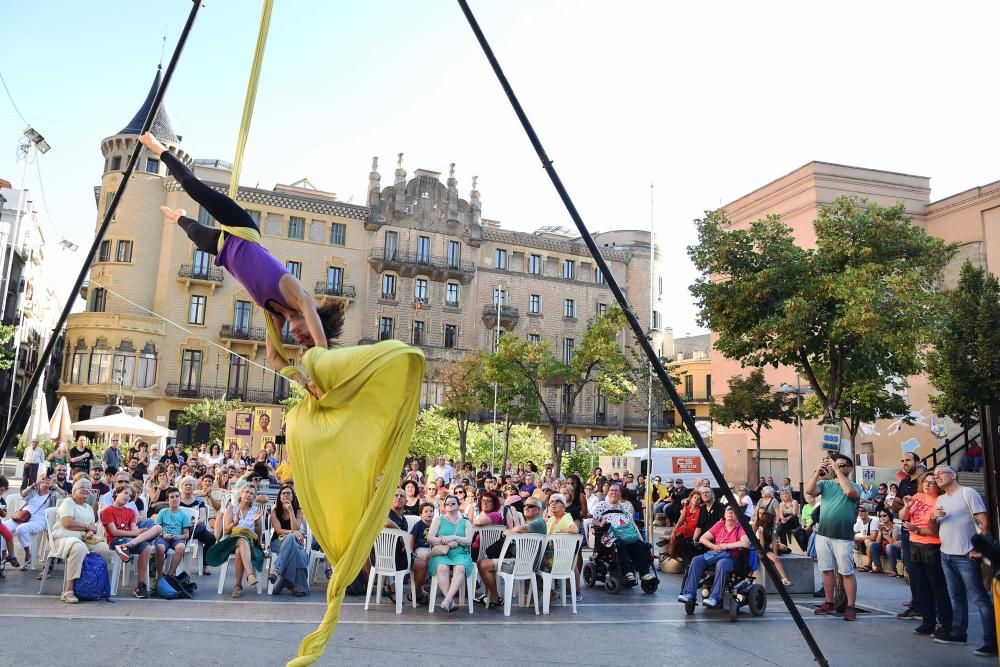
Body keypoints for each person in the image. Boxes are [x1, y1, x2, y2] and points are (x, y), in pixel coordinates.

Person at [139, 132, 343, 395]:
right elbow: (309, 309)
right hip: (243, 229)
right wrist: (321, 353)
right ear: (315, 323)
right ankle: (159, 149)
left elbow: (273, 357)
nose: (299, 337)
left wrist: (302, 381)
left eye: (301, 341)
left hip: (226, 250)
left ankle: (179, 218)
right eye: (307, 335)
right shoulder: (294, 291)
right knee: (194, 188)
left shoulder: (274, 316)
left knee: (195, 235)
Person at [927, 465, 996, 656]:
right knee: (956, 597)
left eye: (941, 472)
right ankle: (958, 633)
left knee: (980, 598)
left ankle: (991, 642)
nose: (937, 476)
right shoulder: (940, 499)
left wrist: (979, 549)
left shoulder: (968, 493)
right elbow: (933, 529)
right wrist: (933, 517)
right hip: (946, 554)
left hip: (965, 555)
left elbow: (984, 522)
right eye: (935, 475)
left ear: (953, 475)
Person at [806, 454, 862, 621]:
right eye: (836, 465)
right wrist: (817, 472)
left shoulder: (855, 486)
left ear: (849, 468)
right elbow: (809, 491)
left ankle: (851, 606)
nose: (838, 467)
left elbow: (849, 492)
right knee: (826, 570)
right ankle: (829, 601)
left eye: (842, 465)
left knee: (846, 572)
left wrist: (837, 470)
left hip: (843, 536)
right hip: (823, 534)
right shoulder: (825, 484)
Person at [897, 473, 953, 639]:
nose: (928, 485)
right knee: (921, 585)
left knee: (937, 587)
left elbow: (935, 530)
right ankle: (928, 622)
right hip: (914, 544)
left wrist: (916, 529)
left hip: (932, 545)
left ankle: (945, 624)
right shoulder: (917, 496)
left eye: (932, 482)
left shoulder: (941, 500)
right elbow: (902, 517)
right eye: (926, 482)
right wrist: (907, 506)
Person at [50, 478, 115, 603]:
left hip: (83, 540)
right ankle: (68, 590)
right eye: (82, 487)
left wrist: (90, 532)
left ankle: (94, 586)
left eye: (89, 488)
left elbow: (92, 527)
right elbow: (67, 523)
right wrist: (87, 527)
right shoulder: (68, 502)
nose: (86, 489)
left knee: (104, 548)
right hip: (63, 539)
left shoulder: (89, 508)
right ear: (74, 490)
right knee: (78, 547)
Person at [476, 497, 548, 608]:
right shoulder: (531, 523)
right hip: (520, 562)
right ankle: (490, 596)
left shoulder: (539, 522)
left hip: (521, 565)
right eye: (525, 506)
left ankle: (495, 599)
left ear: (538, 510)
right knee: (483, 561)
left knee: (483, 564)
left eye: (530, 506)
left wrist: (508, 531)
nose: (526, 507)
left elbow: (519, 529)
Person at [678, 506, 751, 607]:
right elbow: (703, 538)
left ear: (738, 514)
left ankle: (714, 597)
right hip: (715, 554)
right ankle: (689, 593)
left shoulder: (740, 527)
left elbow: (745, 543)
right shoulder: (720, 524)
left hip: (731, 558)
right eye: (728, 510)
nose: (730, 512)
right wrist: (714, 546)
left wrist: (727, 546)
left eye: (733, 510)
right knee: (696, 560)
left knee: (722, 564)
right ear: (724, 514)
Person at [102, 484, 163, 598]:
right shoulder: (107, 511)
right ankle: (126, 546)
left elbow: (134, 529)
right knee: (143, 538)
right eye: (125, 493)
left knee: (154, 534)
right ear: (116, 493)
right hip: (116, 541)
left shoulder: (130, 511)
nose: (127, 497)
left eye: (130, 496)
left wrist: (139, 531)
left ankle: (140, 585)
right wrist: (138, 533)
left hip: (129, 541)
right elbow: (114, 532)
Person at [206, 485, 264, 598]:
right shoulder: (232, 508)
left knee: (240, 548)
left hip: (249, 543)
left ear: (254, 497)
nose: (248, 495)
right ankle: (250, 574)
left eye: (251, 493)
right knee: (240, 540)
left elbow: (258, 534)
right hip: (230, 542)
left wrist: (256, 523)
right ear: (241, 494)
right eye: (246, 492)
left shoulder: (255, 511)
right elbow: (226, 531)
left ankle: (237, 585)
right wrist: (235, 522)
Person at [592, 484, 655, 584]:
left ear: (620, 493)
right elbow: (594, 520)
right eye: (611, 490)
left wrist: (640, 537)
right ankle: (628, 572)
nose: (613, 492)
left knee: (641, 545)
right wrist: (600, 523)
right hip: (610, 535)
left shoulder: (625, 507)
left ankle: (644, 574)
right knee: (619, 543)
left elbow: (632, 523)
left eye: (616, 490)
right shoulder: (602, 505)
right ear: (608, 492)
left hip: (626, 534)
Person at [426, 494, 473, 612]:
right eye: (447, 503)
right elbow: (430, 539)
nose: (450, 505)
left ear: (458, 506)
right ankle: (449, 601)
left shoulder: (465, 522)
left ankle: (447, 600)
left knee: (460, 568)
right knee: (442, 567)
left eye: (453, 503)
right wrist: (445, 541)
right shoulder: (438, 519)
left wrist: (454, 538)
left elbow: (468, 541)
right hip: (442, 552)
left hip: (460, 552)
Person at [2, 474, 55, 569]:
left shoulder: (53, 494)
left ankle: (28, 552)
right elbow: (22, 494)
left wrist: (55, 486)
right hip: (23, 516)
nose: (46, 481)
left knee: (21, 529)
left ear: (53, 482)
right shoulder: (33, 491)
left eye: (49, 480)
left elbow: (65, 496)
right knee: (3, 528)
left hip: (39, 520)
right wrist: (34, 485)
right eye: (44, 479)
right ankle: (3, 558)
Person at [895, 451, 923, 620]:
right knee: (911, 569)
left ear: (918, 462)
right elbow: (897, 507)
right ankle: (917, 605)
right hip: (906, 531)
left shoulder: (924, 481)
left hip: (923, 532)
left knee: (924, 571)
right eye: (902, 460)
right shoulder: (904, 481)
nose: (904, 463)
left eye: (908, 460)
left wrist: (905, 505)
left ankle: (926, 606)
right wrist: (901, 505)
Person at [268, 484, 308, 596]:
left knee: (296, 550)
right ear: (279, 497)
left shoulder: (298, 511)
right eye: (283, 493)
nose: (286, 495)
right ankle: (296, 586)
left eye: (288, 493)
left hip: (294, 543)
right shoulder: (275, 511)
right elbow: (279, 530)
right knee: (294, 543)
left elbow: (296, 528)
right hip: (277, 543)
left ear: (293, 496)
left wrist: (291, 511)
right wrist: (292, 533)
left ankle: (278, 572)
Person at [152, 487, 191, 585]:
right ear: (167, 500)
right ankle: (159, 575)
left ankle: (170, 574)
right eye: (172, 497)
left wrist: (179, 537)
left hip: (177, 538)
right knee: (160, 547)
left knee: (181, 547)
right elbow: (156, 528)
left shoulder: (184, 515)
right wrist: (163, 534)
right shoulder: (163, 512)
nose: (175, 499)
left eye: (177, 496)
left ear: (180, 498)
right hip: (163, 537)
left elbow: (187, 534)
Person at [753, 505, 792, 587]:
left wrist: (775, 553)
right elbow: (762, 542)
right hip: (762, 547)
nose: (775, 521)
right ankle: (748, 579)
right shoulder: (760, 528)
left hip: (769, 546)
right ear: (769, 520)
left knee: (776, 557)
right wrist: (762, 554)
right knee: (772, 559)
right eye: (774, 520)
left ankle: (784, 579)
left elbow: (774, 541)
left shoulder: (772, 528)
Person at [178, 476, 217, 555]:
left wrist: (195, 522)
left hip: (195, 528)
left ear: (194, 487)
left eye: (190, 485)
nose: (188, 486)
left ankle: (204, 562)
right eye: (186, 485)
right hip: (180, 529)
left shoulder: (199, 501)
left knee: (211, 539)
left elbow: (202, 518)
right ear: (181, 487)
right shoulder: (177, 501)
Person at [408, 502, 435, 605]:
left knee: (434, 556)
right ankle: (427, 580)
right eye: (426, 511)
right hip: (420, 548)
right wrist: (410, 551)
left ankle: (428, 578)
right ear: (421, 514)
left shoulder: (435, 524)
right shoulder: (419, 525)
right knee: (426, 556)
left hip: (432, 548)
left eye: (431, 511)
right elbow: (412, 537)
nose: (429, 513)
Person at [666, 490, 703, 561]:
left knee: (684, 528)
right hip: (685, 531)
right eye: (694, 498)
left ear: (700, 501)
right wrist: (673, 532)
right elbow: (680, 521)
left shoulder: (701, 510)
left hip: (695, 531)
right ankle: (671, 558)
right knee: (673, 539)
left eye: (698, 499)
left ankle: (668, 539)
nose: (696, 500)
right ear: (691, 498)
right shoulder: (686, 509)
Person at [869, 508, 902, 576]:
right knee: (872, 544)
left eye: (884, 516)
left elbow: (894, 543)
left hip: (895, 551)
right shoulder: (882, 527)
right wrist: (880, 532)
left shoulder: (895, 527)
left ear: (889, 516)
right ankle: (878, 567)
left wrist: (885, 534)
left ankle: (893, 570)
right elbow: (877, 542)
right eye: (880, 516)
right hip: (884, 549)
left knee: (889, 546)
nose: (882, 518)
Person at [852, 507, 880, 572]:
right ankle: (851, 561)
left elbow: (873, 537)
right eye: (859, 511)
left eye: (863, 511)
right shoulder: (859, 522)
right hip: (862, 544)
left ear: (867, 512)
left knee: (868, 541)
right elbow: (852, 533)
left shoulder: (873, 521)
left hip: (874, 545)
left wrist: (861, 538)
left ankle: (869, 565)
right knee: (850, 539)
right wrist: (855, 540)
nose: (860, 513)